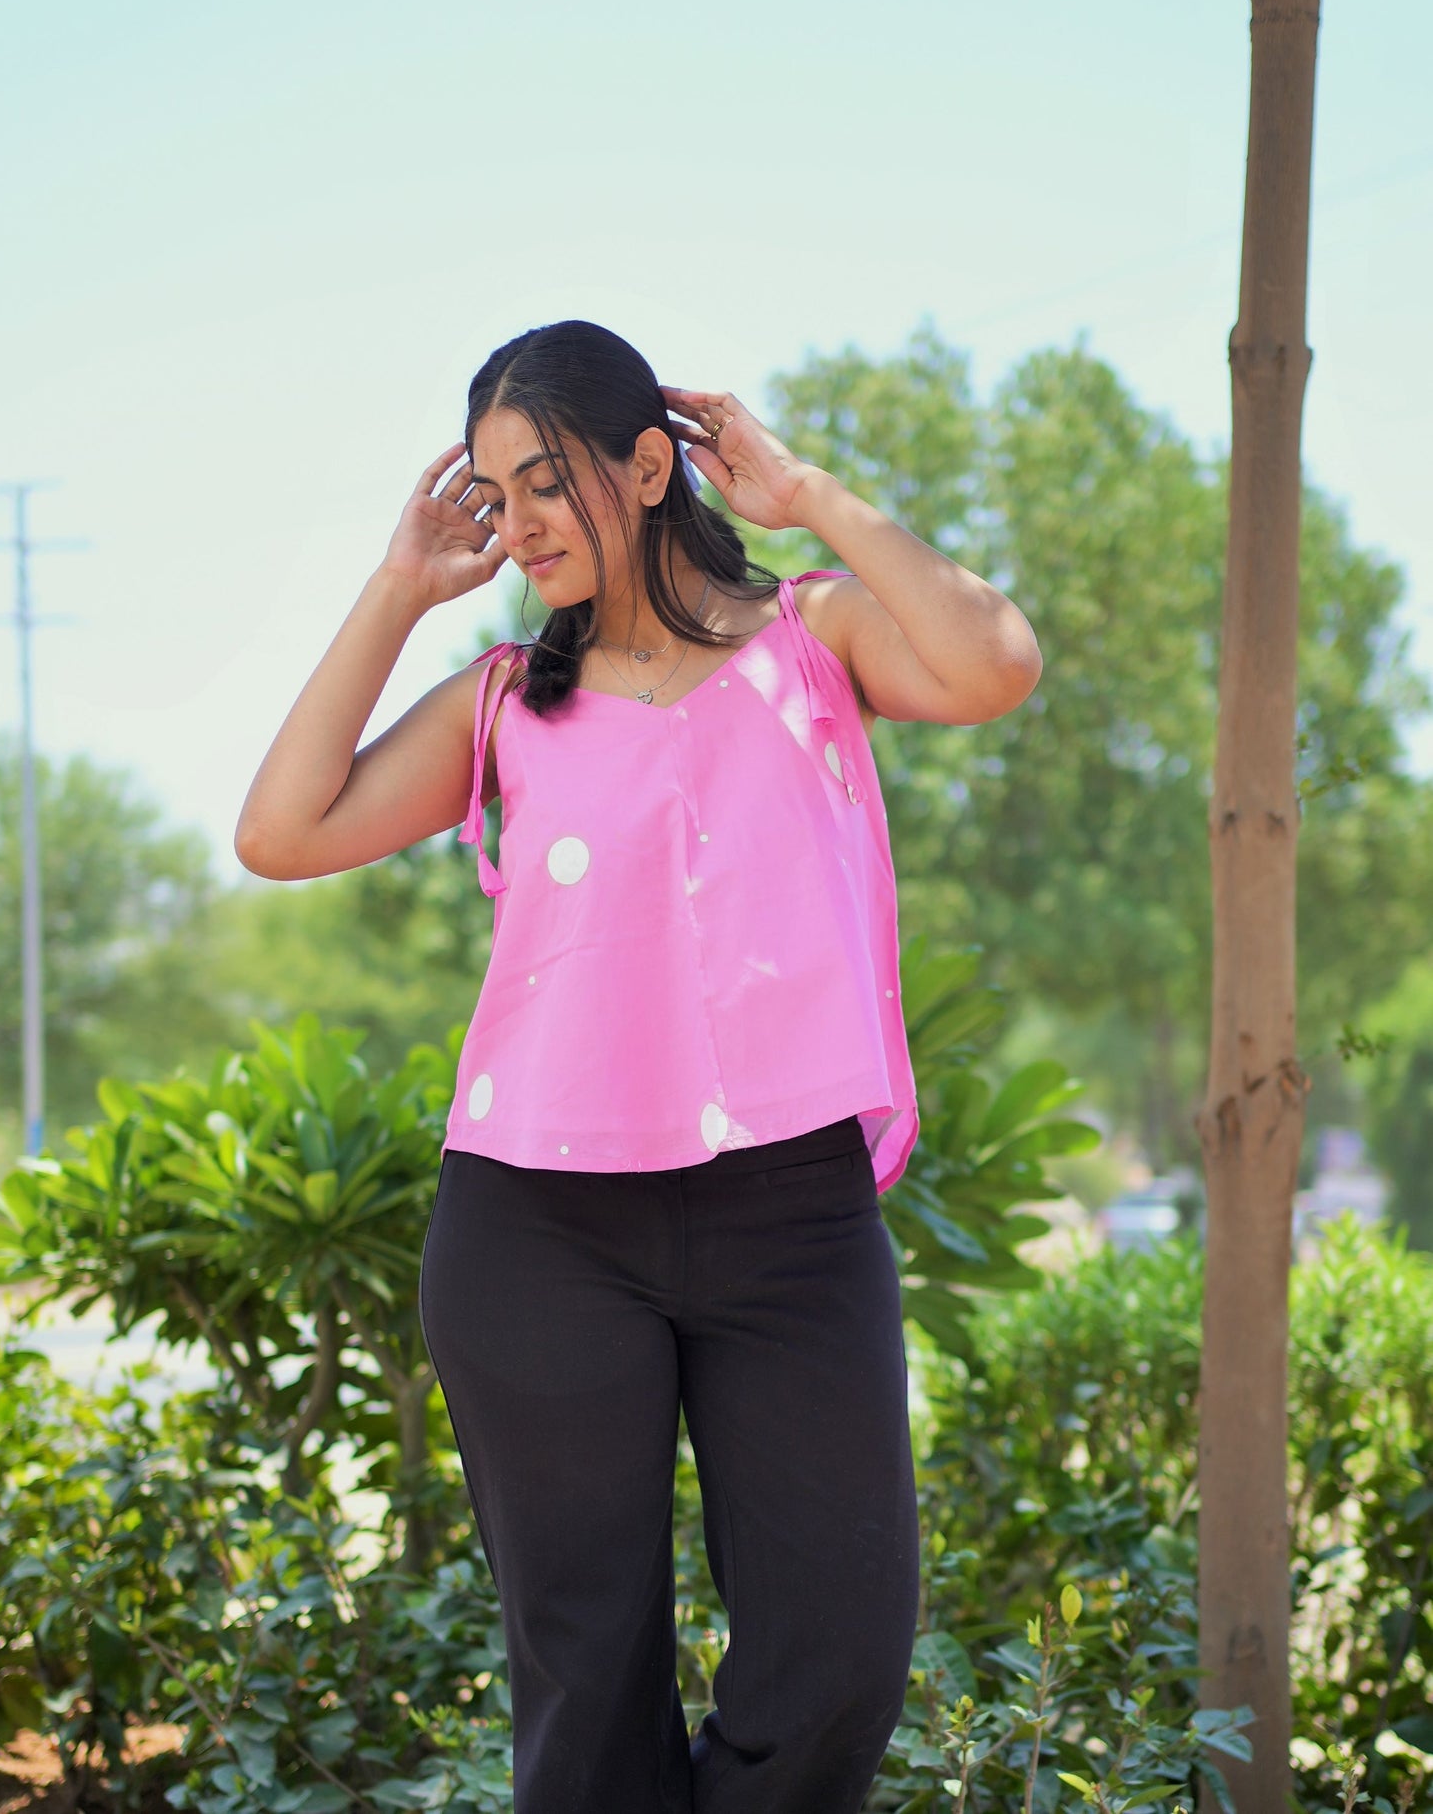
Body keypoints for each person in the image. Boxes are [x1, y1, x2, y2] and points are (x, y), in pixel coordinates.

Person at [235, 319, 1042, 1814]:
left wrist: (809, 494)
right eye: (495, 492)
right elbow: (281, 833)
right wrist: (398, 589)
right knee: (588, 1685)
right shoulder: (501, 703)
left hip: (790, 1219)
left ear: (652, 464)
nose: (522, 521)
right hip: (536, 1230)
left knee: (837, 1661)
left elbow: (995, 660)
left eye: (550, 481)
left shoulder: (812, 639)